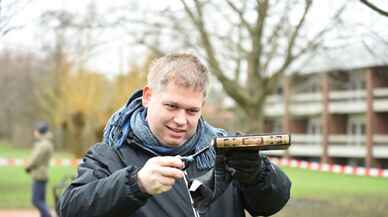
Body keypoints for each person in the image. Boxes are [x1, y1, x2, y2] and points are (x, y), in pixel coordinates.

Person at [57, 53, 291, 217]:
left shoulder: (225, 150)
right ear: (148, 96)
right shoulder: (111, 154)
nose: (181, 120)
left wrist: (257, 174)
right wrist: (135, 185)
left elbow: (271, 205)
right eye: (171, 106)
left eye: (192, 111)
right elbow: (70, 208)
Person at [25, 121, 54, 217]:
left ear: (39, 132)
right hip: (42, 173)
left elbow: (36, 158)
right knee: (41, 200)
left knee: (36, 200)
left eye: (35, 131)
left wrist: (28, 167)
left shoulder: (43, 144)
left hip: (39, 174)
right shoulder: (46, 143)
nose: (34, 133)